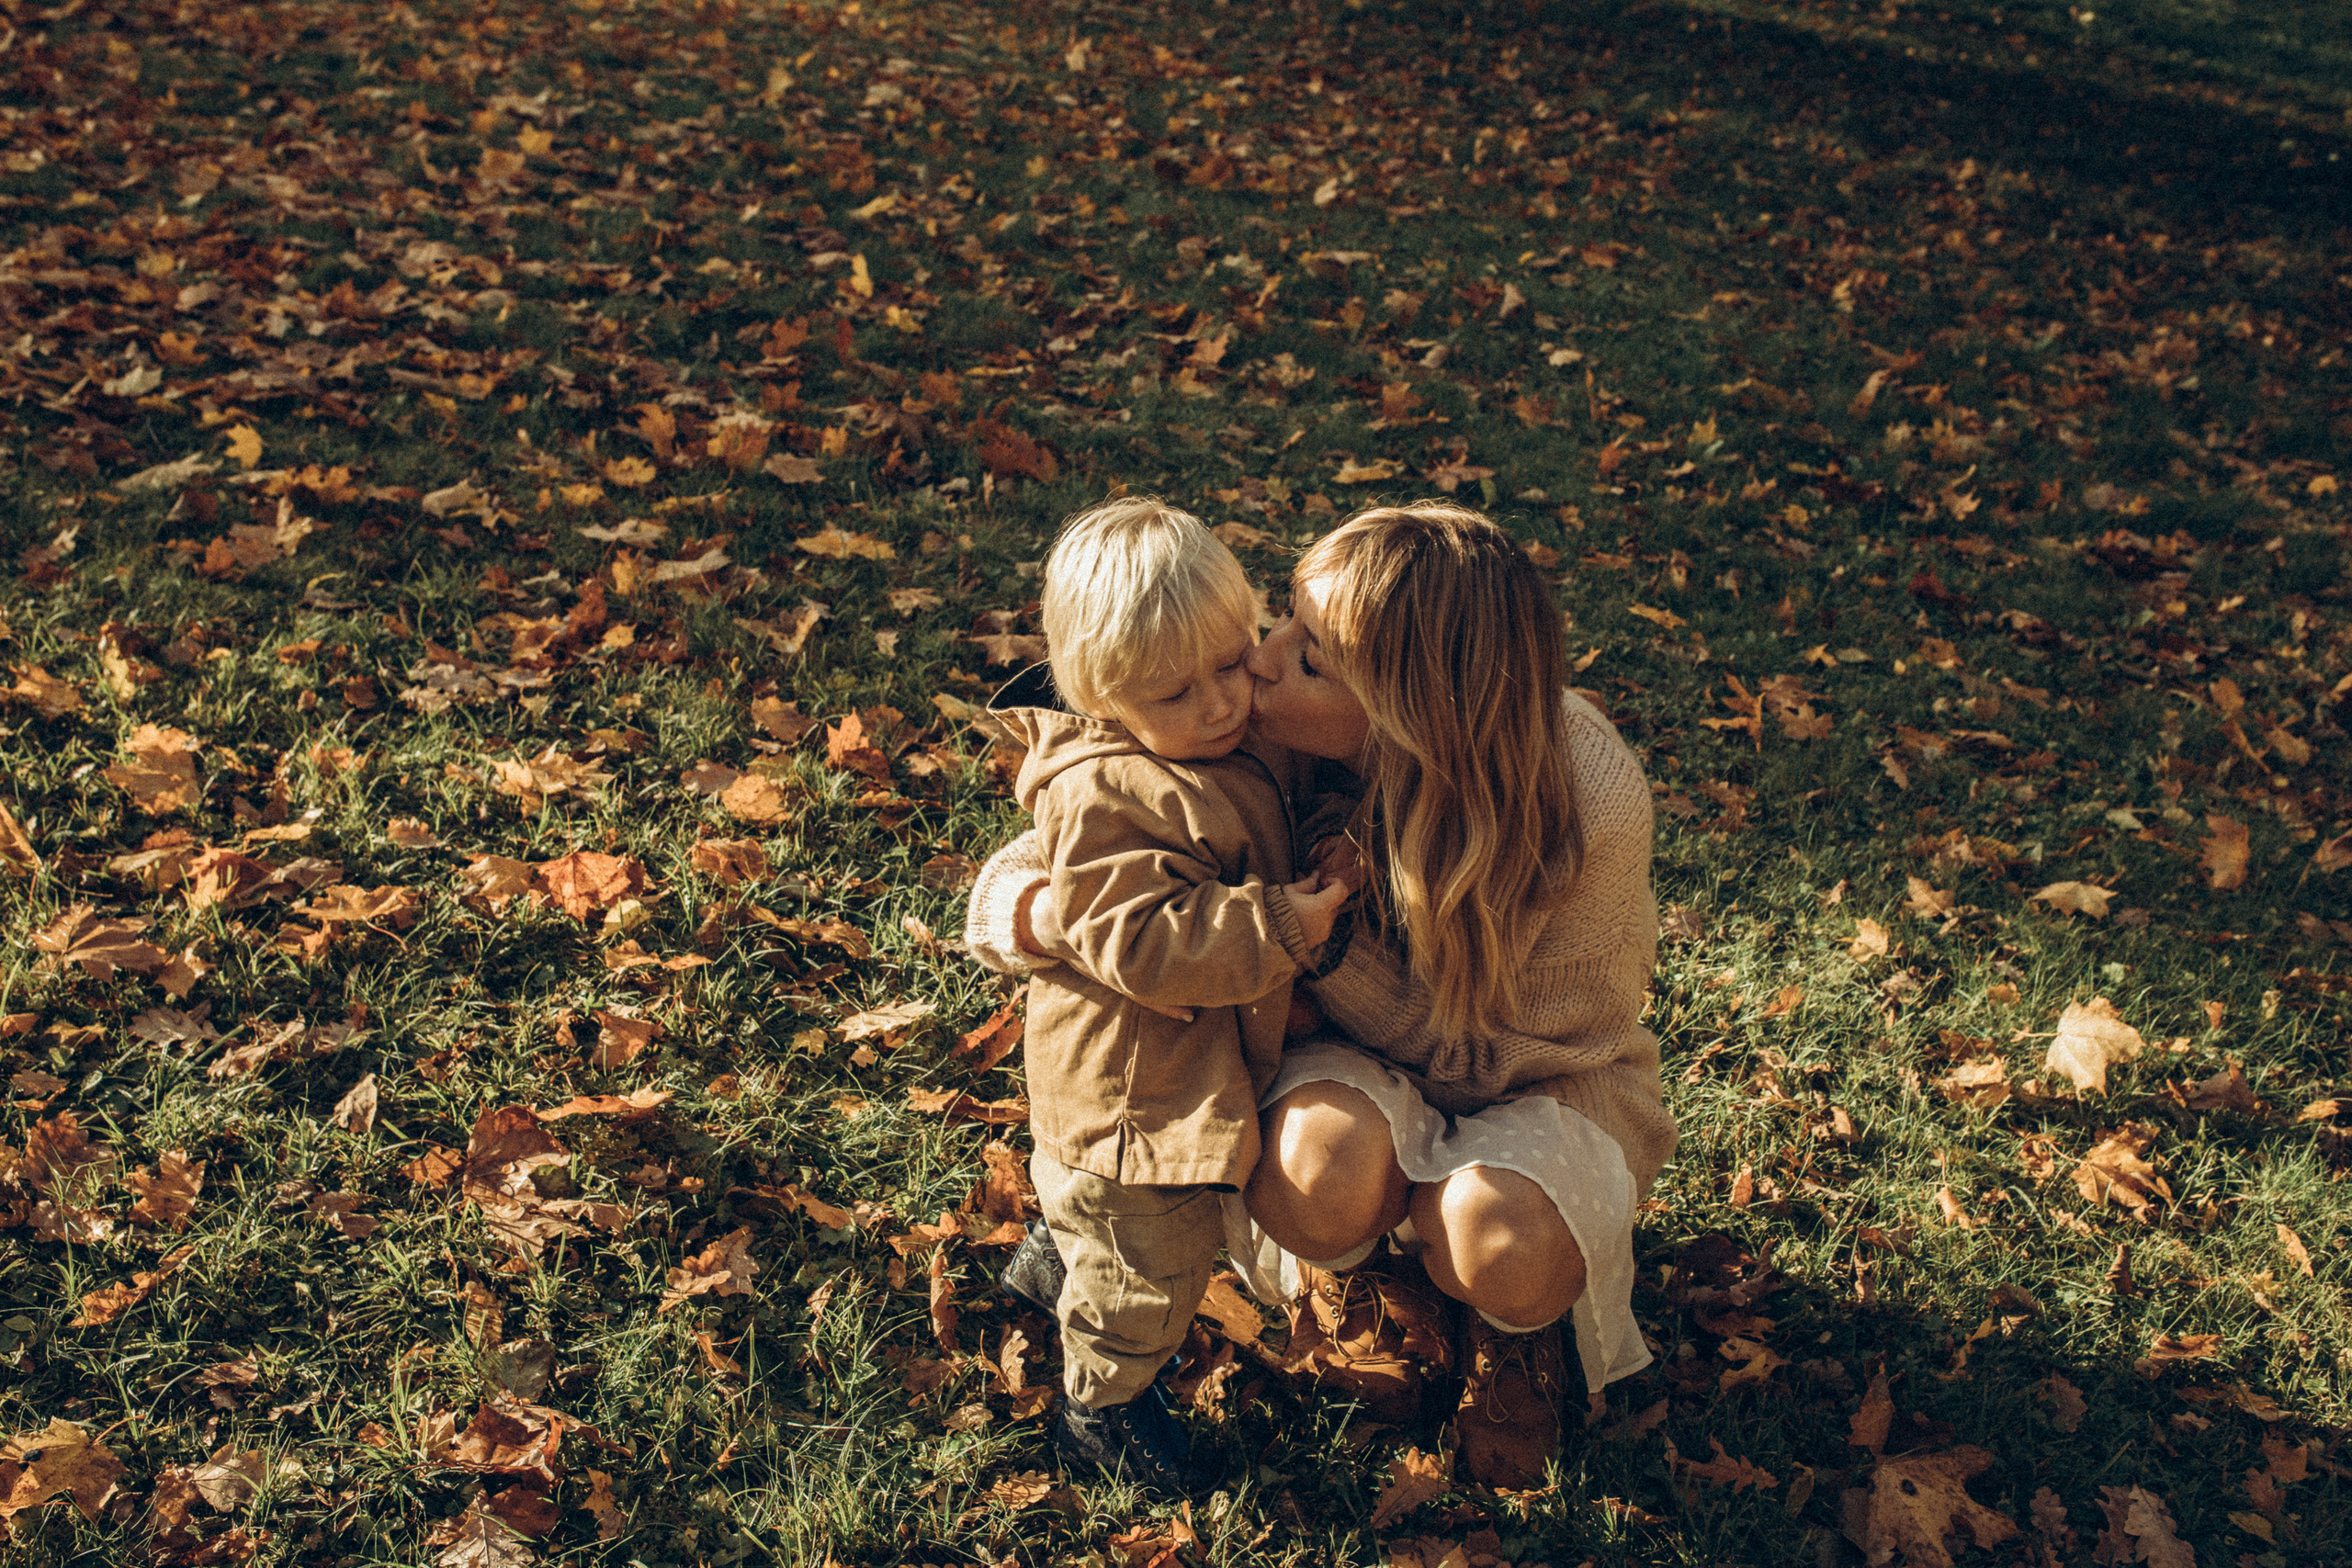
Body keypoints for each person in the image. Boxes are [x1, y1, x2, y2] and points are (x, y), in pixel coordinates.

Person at [974, 502, 1674, 1490]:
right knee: (1314, 1168)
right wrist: (1048, 918)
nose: (1259, 663)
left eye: (1306, 657)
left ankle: (1514, 1335)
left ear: (1401, 714)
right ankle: (1367, 1288)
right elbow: (1081, 836)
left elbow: (1495, 1056)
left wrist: (1321, 950)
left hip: (1538, 1078)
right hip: (1359, 1048)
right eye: (1285, 621)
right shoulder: (1255, 719)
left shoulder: (1582, 801)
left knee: (1495, 1232)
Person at [965, 497, 1351, 1495]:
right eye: (1175, 692)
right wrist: (1277, 924)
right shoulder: (1104, 792)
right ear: (1102, 695)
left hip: (1189, 1074)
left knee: (1131, 1238)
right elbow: (1138, 941)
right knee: (1151, 1272)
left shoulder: (1232, 738)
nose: (1220, 703)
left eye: (1231, 663)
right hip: (1129, 1099)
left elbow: (1302, 795)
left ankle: (1058, 1254)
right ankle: (1102, 1405)